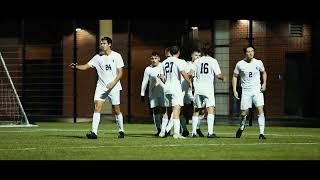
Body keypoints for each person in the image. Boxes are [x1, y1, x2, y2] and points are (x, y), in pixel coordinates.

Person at [69, 36, 125, 139]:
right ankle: (94, 133)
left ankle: (121, 130)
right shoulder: (97, 57)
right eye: (101, 43)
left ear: (109, 44)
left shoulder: (117, 56)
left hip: (114, 86)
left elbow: (120, 73)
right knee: (97, 107)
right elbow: (86, 66)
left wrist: (113, 83)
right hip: (101, 87)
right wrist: (76, 66)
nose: (102, 45)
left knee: (116, 110)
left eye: (104, 43)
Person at [232, 46, 267, 139]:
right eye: (248, 51)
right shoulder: (240, 64)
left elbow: (264, 72)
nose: (250, 53)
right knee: (244, 113)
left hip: (257, 90)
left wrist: (264, 83)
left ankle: (262, 133)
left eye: (252, 51)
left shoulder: (258, 62)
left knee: (260, 110)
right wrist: (234, 90)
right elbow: (235, 76)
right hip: (246, 91)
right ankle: (242, 126)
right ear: (245, 53)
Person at [191, 43, 225, 138]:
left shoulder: (197, 61)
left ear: (202, 51)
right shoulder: (213, 61)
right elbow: (218, 75)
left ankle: (193, 133)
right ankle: (210, 133)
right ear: (211, 51)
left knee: (196, 110)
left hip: (198, 89)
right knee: (211, 109)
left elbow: (190, 73)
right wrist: (223, 78)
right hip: (208, 89)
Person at [159, 45, 192, 139]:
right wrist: (189, 82)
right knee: (176, 110)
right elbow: (183, 73)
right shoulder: (179, 61)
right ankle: (176, 133)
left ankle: (163, 131)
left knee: (166, 111)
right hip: (175, 88)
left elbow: (162, 77)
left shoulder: (164, 62)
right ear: (178, 52)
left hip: (166, 88)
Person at [140, 51, 165, 136]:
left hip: (163, 92)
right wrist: (142, 93)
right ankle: (158, 129)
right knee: (156, 111)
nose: (154, 60)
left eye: (155, 58)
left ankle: (165, 129)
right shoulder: (148, 69)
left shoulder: (163, 66)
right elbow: (145, 81)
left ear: (159, 59)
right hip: (153, 94)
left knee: (165, 110)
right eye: (152, 58)